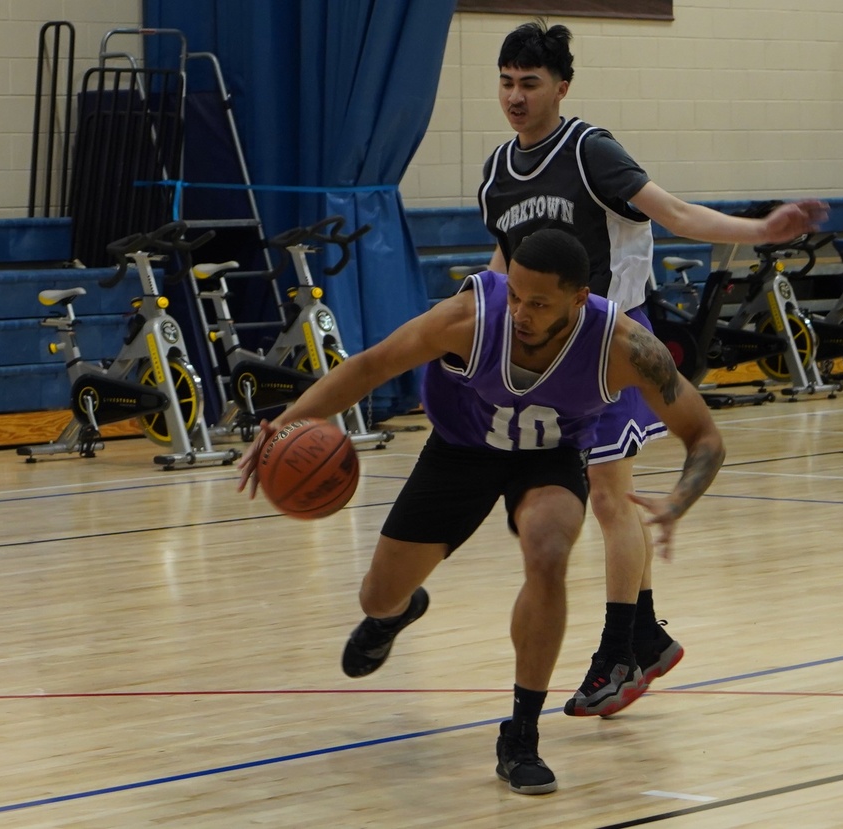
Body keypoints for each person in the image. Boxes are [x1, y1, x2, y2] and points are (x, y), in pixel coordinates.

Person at [239, 228, 725, 795]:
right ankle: (397, 612)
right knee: (377, 595)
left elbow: (706, 438)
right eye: (515, 294)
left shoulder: (623, 344)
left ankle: (520, 735)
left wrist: (677, 502)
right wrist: (289, 423)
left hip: (548, 459)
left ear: (579, 298)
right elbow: (370, 367)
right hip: (460, 452)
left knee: (548, 552)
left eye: (538, 303)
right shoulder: (469, 316)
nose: (519, 311)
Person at [479, 20, 829, 717]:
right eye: (508, 82)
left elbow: (670, 212)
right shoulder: (498, 169)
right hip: (554, 359)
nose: (516, 96)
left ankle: (618, 654)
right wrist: (473, 335)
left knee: (609, 499)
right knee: (601, 498)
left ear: (561, 87)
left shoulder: (589, 151)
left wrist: (759, 231)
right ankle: (645, 633)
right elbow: (502, 266)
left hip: (614, 343)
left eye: (531, 83)